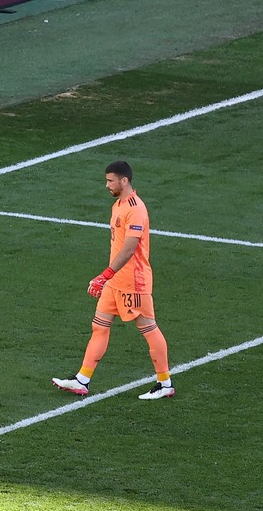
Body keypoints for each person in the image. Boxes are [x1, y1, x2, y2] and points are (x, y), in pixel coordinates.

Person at [52, 160, 175, 401]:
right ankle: (82, 380)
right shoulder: (118, 205)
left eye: (110, 181)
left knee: (148, 329)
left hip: (133, 281)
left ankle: (165, 383)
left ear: (124, 180)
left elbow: (130, 249)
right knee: (99, 325)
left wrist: (104, 275)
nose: (106, 185)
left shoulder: (135, 208)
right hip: (116, 282)